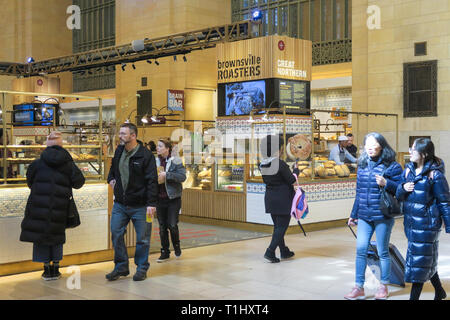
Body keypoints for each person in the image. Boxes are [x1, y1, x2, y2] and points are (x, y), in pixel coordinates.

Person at [20, 131, 85, 281]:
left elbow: (29, 182)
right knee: (57, 235)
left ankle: (45, 269)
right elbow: (79, 183)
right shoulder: (68, 164)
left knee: (41, 235)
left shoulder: (37, 163)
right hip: (60, 205)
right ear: (61, 146)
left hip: (38, 204)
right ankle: (55, 268)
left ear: (47, 146)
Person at [345, 132, 402, 300]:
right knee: (361, 250)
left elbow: (401, 189)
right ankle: (358, 287)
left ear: (382, 146)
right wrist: (353, 214)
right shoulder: (362, 164)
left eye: (373, 145)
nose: (369, 148)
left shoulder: (392, 166)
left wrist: (387, 183)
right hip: (364, 214)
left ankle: (383, 286)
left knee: (383, 251)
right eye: (367, 145)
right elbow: (359, 193)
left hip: (383, 215)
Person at [396, 138, 450, 300]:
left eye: (413, 149)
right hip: (411, 224)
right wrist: (403, 188)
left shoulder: (436, 174)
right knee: (424, 259)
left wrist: (449, 225)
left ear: (424, 154)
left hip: (428, 225)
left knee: (419, 262)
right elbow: (398, 193)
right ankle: (439, 291)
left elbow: (445, 202)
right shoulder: (407, 171)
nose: (410, 151)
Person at [106, 123, 158, 281]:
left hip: (141, 205)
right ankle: (121, 266)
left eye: (123, 133)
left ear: (133, 136)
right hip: (120, 204)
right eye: (120, 133)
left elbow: (152, 181)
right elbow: (113, 169)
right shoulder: (119, 150)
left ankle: (142, 268)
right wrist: (111, 179)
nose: (120, 136)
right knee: (116, 232)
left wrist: (151, 203)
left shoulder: (145, 155)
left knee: (142, 238)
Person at [259, 134, 299, 263]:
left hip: (270, 198)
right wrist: (296, 172)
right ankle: (270, 251)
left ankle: (284, 251)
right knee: (281, 227)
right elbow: (291, 180)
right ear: (277, 149)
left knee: (278, 226)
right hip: (282, 199)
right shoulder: (279, 164)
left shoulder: (262, 164)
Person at [155, 139, 186, 262]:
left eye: (160, 146)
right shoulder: (155, 161)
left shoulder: (176, 161)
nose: (157, 148)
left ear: (167, 149)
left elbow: (182, 177)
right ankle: (165, 251)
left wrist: (167, 175)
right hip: (159, 199)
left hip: (173, 198)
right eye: (157, 146)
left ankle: (177, 246)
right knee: (162, 226)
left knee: (172, 225)